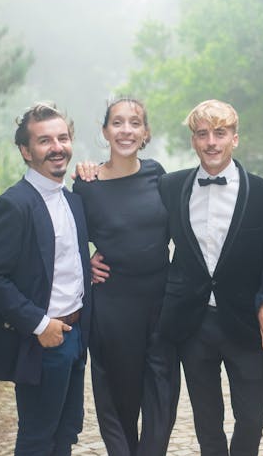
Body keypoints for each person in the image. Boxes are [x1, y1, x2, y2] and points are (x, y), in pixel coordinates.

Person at [155, 99, 263, 455]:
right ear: (194, 141)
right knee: (207, 422)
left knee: (252, 420)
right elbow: (144, 240)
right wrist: (97, 257)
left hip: (244, 322)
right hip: (192, 323)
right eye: (203, 134)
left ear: (235, 139)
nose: (211, 142)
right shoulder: (169, 186)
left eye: (220, 133)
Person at [0, 102, 91, 455]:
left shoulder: (73, 201)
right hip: (43, 340)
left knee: (66, 433)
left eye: (63, 137)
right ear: (26, 151)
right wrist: (40, 325)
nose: (57, 147)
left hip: (76, 334)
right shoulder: (14, 204)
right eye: (44, 141)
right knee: (38, 438)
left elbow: (70, 263)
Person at [72, 98, 179, 456]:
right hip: (113, 306)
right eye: (117, 123)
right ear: (105, 131)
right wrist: (85, 265)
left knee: (162, 392)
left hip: (160, 303)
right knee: (118, 398)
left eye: (135, 123)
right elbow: (65, 240)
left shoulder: (157, 174)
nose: (126, 130)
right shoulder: (86, 185)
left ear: (145, 132)